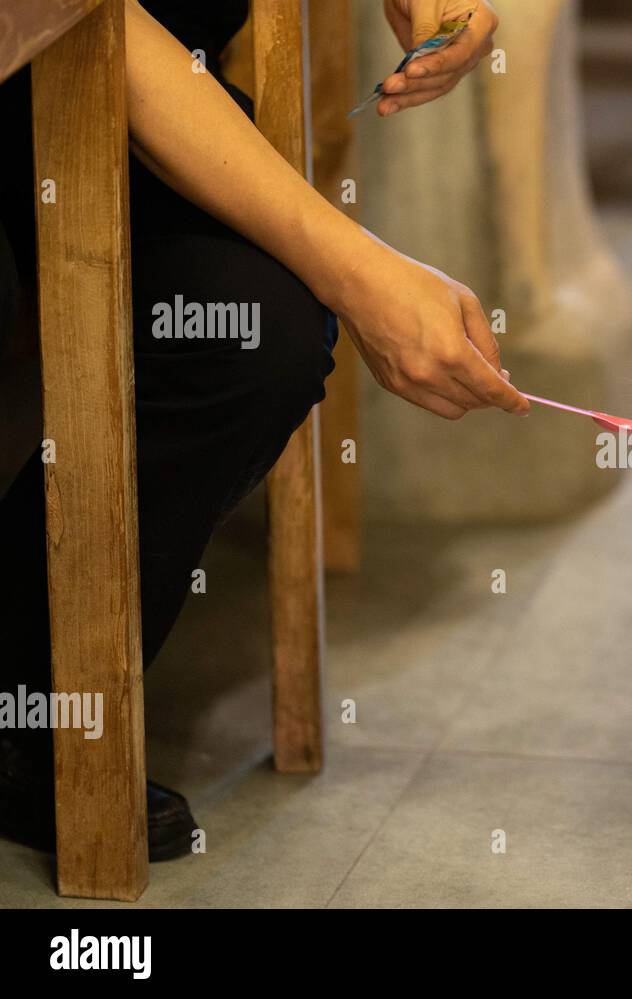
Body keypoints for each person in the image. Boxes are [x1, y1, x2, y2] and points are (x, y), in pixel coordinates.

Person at [0, 0, 525, 860]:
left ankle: (24, 685)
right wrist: (362, 273)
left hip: (163, 83)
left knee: (255, 331)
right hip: (44, 54)